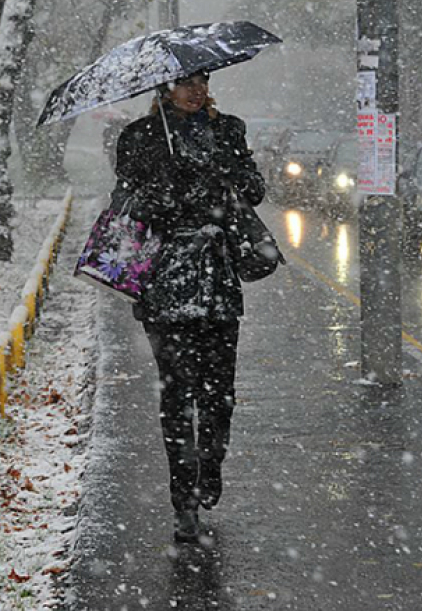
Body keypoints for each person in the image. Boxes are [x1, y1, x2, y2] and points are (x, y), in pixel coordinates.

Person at [110, 70, 266, 543]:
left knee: (219, 394)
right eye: (184, 83)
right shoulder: (139, 137)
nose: (196, 91)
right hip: (165, 283)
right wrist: (167, 190)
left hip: (217, 279)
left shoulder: (228, 129)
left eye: (202, 81)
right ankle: (184, 500)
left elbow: (255, 190)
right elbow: (125, 203)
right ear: (164, 89)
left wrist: (226, 175)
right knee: (177, 396)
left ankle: (211, 465)